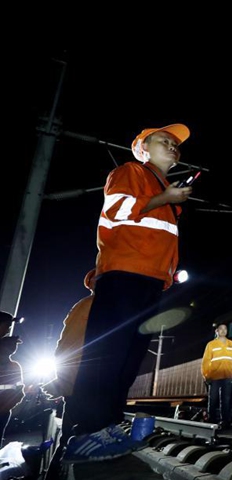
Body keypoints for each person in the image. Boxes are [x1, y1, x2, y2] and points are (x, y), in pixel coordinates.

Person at [58, 124, 193, 465]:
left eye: (176, 144)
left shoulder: (163, 189)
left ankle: (108, 426)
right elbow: (117, 211)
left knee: (129, 359)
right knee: (109, 354)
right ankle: (84, 433)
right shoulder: (129, 172)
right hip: (124, 274)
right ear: (142, 149)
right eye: (165, 141)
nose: (173, 146)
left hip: (150, 281)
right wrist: (165, 199)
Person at [41, 269, 96, 400]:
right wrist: (66, 381)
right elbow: (72, 343)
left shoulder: (86, 304)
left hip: (80, 377)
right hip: (83, 378)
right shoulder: (90, 305)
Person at [201, 324, 232, 428]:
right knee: (213, 400)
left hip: (227, 376)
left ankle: (225, 421)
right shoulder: (211, 344)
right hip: (214, 377)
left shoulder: (231, 344)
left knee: (226, 400)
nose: (223, 331)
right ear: (217, 331)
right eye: (221, 329)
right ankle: (211, 421)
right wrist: (206, 375)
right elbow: (206, 361)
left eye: (225, 329)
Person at [0, 336, 25, 447]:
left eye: (15, 345)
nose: (13, 348)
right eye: (11, 344)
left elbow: (19, 390)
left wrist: (6, 407)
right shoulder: (14, 366)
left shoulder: (15, 366)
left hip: (3, 412)